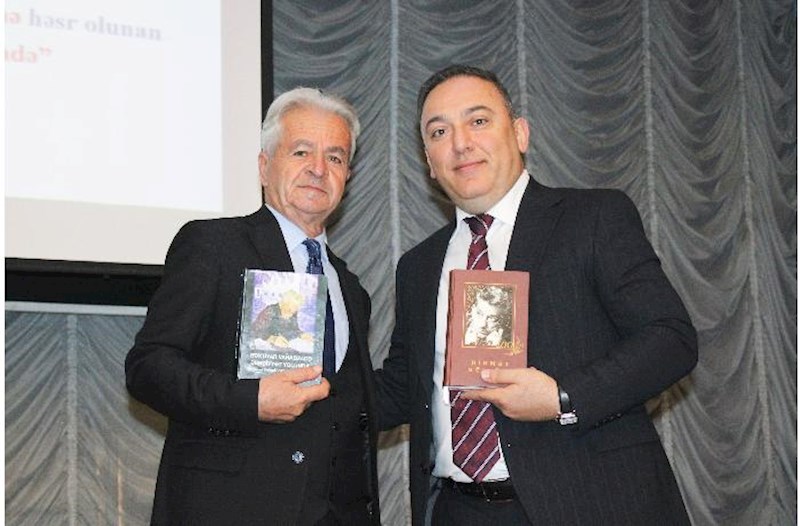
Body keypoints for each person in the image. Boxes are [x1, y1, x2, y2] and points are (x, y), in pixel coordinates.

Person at [375, 65, 698, 525]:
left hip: (590, 505)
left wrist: (562, 396)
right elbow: (401, 387)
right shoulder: (418, 265)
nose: (460, 143)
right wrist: (305, 394)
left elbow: (670, 339)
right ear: (429, 161)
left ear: (520, 134)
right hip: (456, 511)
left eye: (478, 121)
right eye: (439, 132)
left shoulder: (593, 218)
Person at [126, 87, 380, 525]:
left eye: (335, 157)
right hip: (228, 509)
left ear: (347, 177)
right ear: (264, 167)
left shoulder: (352, 290)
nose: (319, 169)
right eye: (301, 152)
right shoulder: (215, 245)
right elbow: (148, 368)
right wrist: (251, 400)